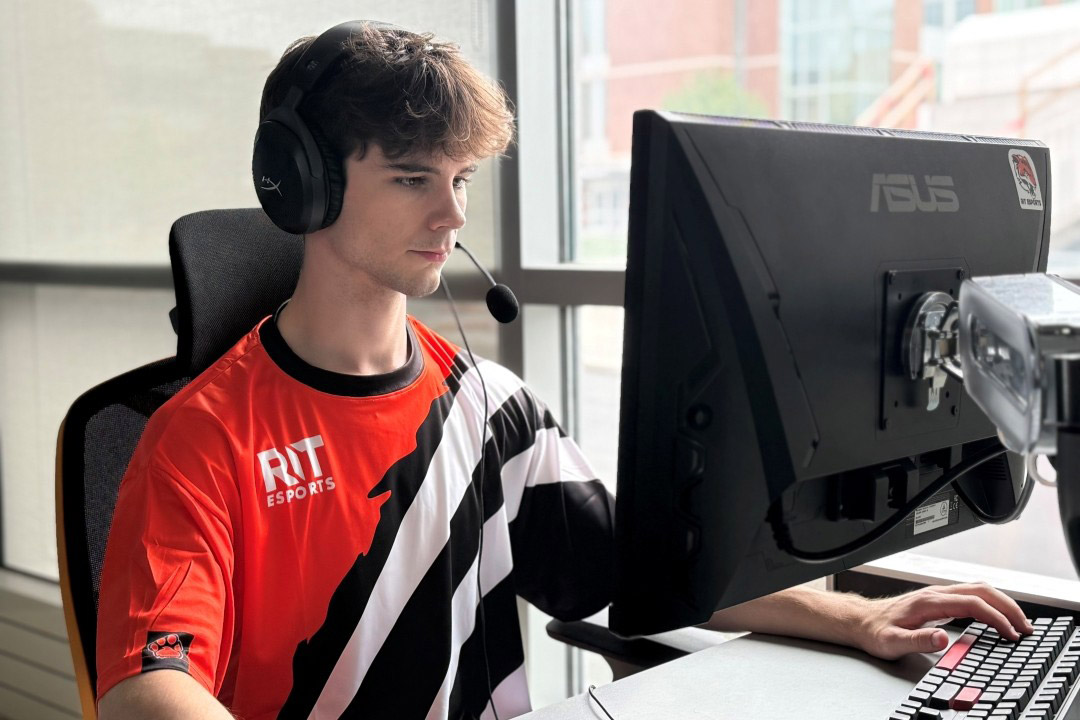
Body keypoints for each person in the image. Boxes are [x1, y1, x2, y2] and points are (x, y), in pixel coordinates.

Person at [94, 21, 1035, 720]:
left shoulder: (492, 408)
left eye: (460, 181)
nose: (453, 217)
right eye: (415, 178)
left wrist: (858, 618)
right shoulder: (204, 438)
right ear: (302, 184)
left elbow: (645, 570)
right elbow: (151, 684)